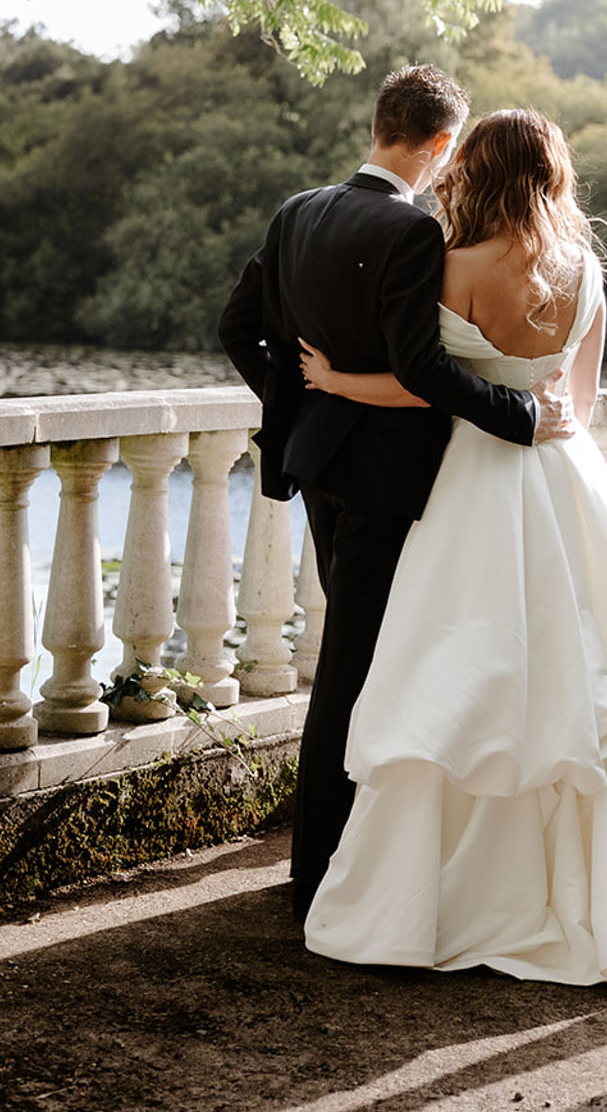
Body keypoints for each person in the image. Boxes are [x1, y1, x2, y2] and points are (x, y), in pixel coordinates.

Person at [295, 108, 607, 983]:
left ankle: (444, 903)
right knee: (593, 670)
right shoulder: (586, 273)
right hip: (567, 478)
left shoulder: (450, 265)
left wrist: (336, 380)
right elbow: (583, 404)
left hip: (473, 483)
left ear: (476, 174)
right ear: (554, 175)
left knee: (461, 675)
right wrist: (545, 416)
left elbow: (427, 386)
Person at [218, 66, 570, 922]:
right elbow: (420, 371)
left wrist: (301, 401)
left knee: (358, 657)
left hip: (320, 471)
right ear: (443, 143)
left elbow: (237, 328)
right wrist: (521, 415)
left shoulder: (297, 210)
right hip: (385, 480)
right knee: (354, 668)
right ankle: (323, 871)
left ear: (381, 125)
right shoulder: (412, 234)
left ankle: (350, 855)